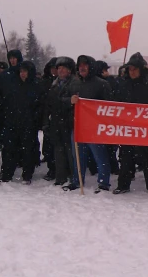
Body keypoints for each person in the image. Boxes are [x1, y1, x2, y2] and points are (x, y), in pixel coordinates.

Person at [113, 53, 148, 194]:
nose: (132, 71)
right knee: (126, 158)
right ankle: (123, 185)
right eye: (130, 69)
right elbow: (116, 104)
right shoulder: (123, 85)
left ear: (141, 70)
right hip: (128, 128)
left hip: (145, 128)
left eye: (135, 69)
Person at [65, 55, 113, 193]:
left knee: (100, 155)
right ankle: (77, 180)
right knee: (78, 156)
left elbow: (109, 105)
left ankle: (104, 182)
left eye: (85, 64)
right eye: (80, 65)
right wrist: (70, 100)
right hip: (78, 125)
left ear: (91, 67)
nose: (82, 67)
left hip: (95, 127)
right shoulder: (74, 83)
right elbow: (62, 100)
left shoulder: (101, 84)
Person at [0, 61, 45, 184]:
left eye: (25, 71)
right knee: (9, 149)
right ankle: (7, 174)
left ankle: (27, 175)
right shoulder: (14, 85)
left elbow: (40, 105)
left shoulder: (36, 85)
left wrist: (34, 118)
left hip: (29, 124)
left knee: (28, 150)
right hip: (13, 122)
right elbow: (7, 102)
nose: (23, 74)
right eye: (21, 71)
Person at [43, 57, 77, 186]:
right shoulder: (55, 83)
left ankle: (73, 176)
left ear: (69, 70)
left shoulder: (74, 83)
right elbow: (50, 104)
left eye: (63, 68)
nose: (61, 70)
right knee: (58, 151)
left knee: (70, 151)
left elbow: (73, 101)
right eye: (59, 68)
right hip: (56, 121)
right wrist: (47, 121)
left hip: (69, 121)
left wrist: (66, 102)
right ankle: (60, 176)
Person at [96, 60, 120, 175]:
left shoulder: (108, 82)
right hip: (104, 119)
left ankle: (111, 166)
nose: (107, 72)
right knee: (108, 147)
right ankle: (110, 167)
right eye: (105, 70)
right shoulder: (104, 83)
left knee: (109, 146)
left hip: (107, 119)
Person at [41, 58, 58, 181]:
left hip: (59, 118)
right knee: (48, 147)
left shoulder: (64, 82)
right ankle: (51, 169)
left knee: (59, 147)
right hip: (48, 116)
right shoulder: (46, 82)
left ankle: (58, 170)